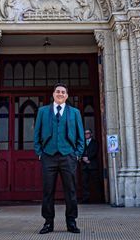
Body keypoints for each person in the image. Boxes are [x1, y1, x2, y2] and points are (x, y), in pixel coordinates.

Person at [34, 83, 85, 234]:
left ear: (67, 95)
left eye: (63, 92)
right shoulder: (43, 111)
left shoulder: (74, 112)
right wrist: (39, 152)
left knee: (70, 191)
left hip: (68, 156)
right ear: (53, 94)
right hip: (48, 156)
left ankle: (71, 222)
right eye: (58, 92)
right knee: (47, 192)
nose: (60, 94)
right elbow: (37, 133)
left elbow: (80, 135)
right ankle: (48, 223)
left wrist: (77, 153)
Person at [81, 129, 99, 203]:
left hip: (93, 165)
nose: (86, 135)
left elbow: (95, 151)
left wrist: (88, 158)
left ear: (91, 134)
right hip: (85, 166)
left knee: (96, 182)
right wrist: (83, 158)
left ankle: (98, 198)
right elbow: (80, 150)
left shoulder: (95, 143)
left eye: (88, 133)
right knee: (85, 183)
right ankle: (86, 199)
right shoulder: (82, 143)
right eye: (85, 134)